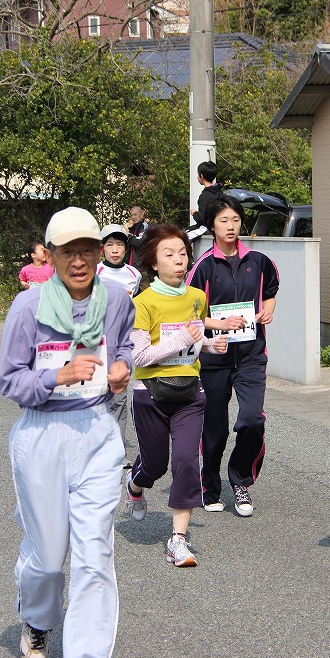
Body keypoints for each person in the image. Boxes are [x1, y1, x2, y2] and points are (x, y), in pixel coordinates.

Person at [0, 206, 134, 658]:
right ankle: (37, 621)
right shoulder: (28, 307)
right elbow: (10, 381)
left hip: (97, 430)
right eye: (67, 252)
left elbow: (124, 346)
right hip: (42, 434)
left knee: (95, 552)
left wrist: (122, 368)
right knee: (48, 556)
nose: (78, 261)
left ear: (99, 253)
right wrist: (56, 376)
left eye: (87, 250)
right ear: (50, 255)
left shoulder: (116, 299)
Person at [125, 224, 227, 567]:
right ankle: (135, 484)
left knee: (186, 461)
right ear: (154, 262)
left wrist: (210, 345)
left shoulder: (197, 297)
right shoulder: (142, 303)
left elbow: (194, 342)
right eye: (169, 254)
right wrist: (182, 338)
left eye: (183, 253)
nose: (179, 260)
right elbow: (140, 357)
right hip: (151, 394)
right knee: (154, 465)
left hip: (190, 393)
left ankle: (178, 540)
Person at [186, 194, 279, 516]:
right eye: (223, 220)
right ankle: (210, 486)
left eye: (236, 220)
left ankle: (241, 481)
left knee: (252, 419)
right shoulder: (203, 266)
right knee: (215, 429)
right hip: (214, 358)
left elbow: (270, 292)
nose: (230, 226)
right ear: (211, 225)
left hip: (252, 355)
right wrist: (220, 325)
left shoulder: (260, 261)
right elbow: (191, 315)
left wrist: (268, 310)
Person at [97, 223, 142, 467]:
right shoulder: (94, 272)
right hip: (94, 345)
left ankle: (117, 454)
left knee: (119, 399)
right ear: (102, 248)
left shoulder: (134, 275)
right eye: (110, 245)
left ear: (126, 248)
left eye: (119, 245)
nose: (115, 250)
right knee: (94, 398)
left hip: (121, 346)